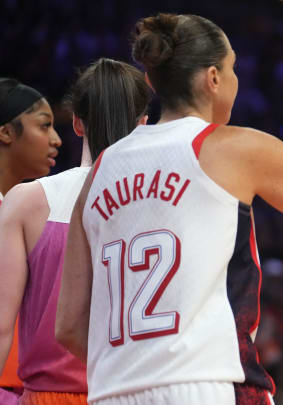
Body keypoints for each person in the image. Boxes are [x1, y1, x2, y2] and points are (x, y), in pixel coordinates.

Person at [56, 14, 283, 405]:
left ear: (152, 81)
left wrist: (136, 370)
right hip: (204, 383)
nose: (237, 80)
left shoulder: (100, 170)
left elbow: (68, 325)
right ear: (213, 78)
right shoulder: (232, 148)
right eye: (233, 67)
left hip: (111, 390)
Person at [0, 58, 151, 405]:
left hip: (48, 397)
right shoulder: (165, 205)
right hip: (134, 394)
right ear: (143, 124)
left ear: (78, 124)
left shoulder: (25, 202)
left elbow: (1, 328)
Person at [0, 78, 62, 404]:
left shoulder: (39, 212)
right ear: (6, 132)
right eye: (44, 126)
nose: (57, 140)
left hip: (30, 391)